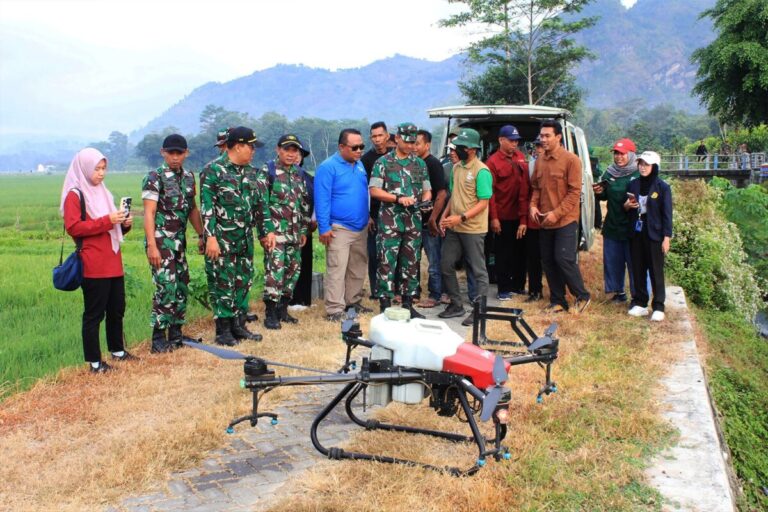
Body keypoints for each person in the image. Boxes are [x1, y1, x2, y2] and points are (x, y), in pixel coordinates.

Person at [61, 148, 136, 373]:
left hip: (113, 261)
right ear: (84, 168)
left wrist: (124, 223)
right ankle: (95, 363)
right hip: (93, 263)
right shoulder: (75, 195)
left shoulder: (103, 192)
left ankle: (118, 351)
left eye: (104, 168)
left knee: (117, 309)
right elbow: (73, 227)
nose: (101, 173)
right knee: (94, 314)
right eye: (97, 169)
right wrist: (107, 220)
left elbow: (111, 228)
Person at [200, 126, 275, 345]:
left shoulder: (254, 173)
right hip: (221, 240)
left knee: (243, 281)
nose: (253, 151)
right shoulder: (213, 170)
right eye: (251, 146)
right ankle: (223, 330)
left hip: (244, 239)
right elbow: (207, 207)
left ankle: (238, 325)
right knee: (222, 282)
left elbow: (262, 206)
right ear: (238, 146)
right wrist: (210, 237)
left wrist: (266, 232)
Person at [142, 134, 204, 353]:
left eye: (180, 153)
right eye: (171, 153)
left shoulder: (188, 177)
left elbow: (192, 209)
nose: (175, 157)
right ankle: (158, 338)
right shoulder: (154, 177)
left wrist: (202, 234)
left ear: (186, 153)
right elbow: (149, 213)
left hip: (178, 242)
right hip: (160, 242)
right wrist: (151, 245)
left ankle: (176, 334)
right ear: (163, 153)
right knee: (165, 287)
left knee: (181, 285)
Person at [369, 123, 432, 318]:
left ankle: (408, 304)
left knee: (412, 262)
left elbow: (427, 189)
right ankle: (385, 304)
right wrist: (397, 198)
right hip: (390, 221)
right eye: (407, 141)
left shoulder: (420, 164)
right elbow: (374, 191)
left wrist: (425, 202)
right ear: (396, 138)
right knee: (387, 261)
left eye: (414, 142)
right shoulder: (383, 163)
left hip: (413, 221)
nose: (411, 145)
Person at [530, 120, 591, 314]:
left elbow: (574, 193)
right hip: (544, 220)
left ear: (558, 137)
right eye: (542, 136)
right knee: (547, 260)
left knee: (563, 258)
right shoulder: (539, 161)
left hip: (565, 219)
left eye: (548, 136)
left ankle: (582, 296)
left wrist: (556, 214)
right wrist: (532, 206)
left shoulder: (572, 160)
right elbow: (536, 189)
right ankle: (558, 300)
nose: (544, 139)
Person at [438, 128, 492, 327]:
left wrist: (460, 218)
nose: (454, 150)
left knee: (477, 270)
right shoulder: (456, 168)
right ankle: (456, 304)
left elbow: (483, 202)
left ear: (470, 149)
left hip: (473, 229)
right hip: (454, 227)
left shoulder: (482, 171)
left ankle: (479, 309)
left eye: (458, 147)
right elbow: (454, 196)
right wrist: (444, 217)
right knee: (446, 264)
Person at [314, 128, 370, 321]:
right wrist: (324, 227)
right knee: (337, 269)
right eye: (355, 147)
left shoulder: (360, 165)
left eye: (362, 146)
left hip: (361, 227)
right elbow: (322, 199)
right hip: (339, 228)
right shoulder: (328, 167)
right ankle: (334, 310)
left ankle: (352, 302)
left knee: (357, 267)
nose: (359, 150)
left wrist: (368, 216)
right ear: (341, 147)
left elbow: (363, 194)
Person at [261, 134, 312, 329]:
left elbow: (303, 204)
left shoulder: (299, 174)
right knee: (275, 273)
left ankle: (283, 310)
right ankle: (270, 313)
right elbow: (261, 205)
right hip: (276, 235)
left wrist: (303, 230)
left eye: (295, 150)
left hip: (294, 234)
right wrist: (266, 232)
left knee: (292, 272)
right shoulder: (269, 171)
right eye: (287, 149)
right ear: (278, 150)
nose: (291, 154)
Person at [624, 151, 672, 322]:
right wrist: (627, 205)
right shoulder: (633, 185)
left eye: (646, 164)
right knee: (638, 268)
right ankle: (641, 303)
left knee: (656, 270)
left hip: (655, 234)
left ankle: (658, 305)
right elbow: (626, 207)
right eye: (641, 164)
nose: (643, 167)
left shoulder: (663, 187)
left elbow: (667, 215)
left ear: (655, 167)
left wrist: (667, 237)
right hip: (637, 232)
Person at [593, 138, 640, 304]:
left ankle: (638, 296)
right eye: (616, 154)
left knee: (635, 263)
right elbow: (605, 195)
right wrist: (598, 191)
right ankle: (618, 293)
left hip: (632, 227)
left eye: (622, 154)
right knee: (613, 261)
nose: (618, 157)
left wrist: (632, 204)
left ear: (631, 155)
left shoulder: (638, 172)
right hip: (612, 224)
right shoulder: (610, 172)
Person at [487, 125, 529, 300]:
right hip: (503, 216)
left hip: (520, 215)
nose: (514, 144)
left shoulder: (520, 157)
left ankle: (518, 286)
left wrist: (524, 218)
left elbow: (526, 187)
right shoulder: (492, 162)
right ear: (501, 140)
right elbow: (491, 193)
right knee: (504, 254)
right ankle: (503, 289)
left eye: (516, 141)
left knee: (521, 252)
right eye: (511, 141)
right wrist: (494, 218)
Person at [413, 129, 448, 308]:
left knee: (434, 261)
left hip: (429, 222)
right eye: (413, 143)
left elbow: (441, 193)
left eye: (417, 143)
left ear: (427, 145)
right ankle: (414, 292)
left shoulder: (433, 163)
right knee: (413, 259)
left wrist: (434, 218)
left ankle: (436, 294)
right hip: (415, 220)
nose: (414, 147)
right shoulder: (414, 163)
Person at [360, 121, 390, 299]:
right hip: (374, 215)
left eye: (380, 135)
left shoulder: (394, 158)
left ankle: (391, 290)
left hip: (393, 213)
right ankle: (375, 291)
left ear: (387, 136)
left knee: (391, 255)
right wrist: (368, 215)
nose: (377, 139)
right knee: (374, 253)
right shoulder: (366, 160)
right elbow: (362, 190)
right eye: (374, 136)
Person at [524, 137, 544, 302]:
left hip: (553, 218)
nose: (538, 149)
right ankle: (534, 291)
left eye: (541, 146)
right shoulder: (531, 165)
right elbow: (525, 193)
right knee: (533, 257)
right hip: (534, 217)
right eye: (537, 145)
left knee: (553, 257)